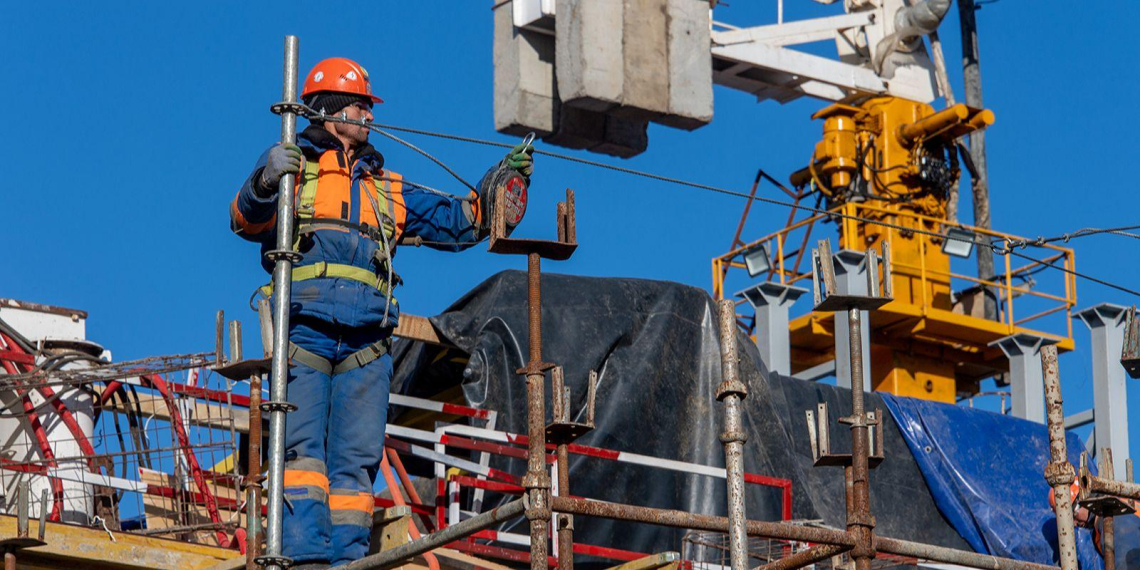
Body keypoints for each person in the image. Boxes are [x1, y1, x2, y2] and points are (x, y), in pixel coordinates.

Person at [230, 57, 533, 568]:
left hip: (367, 345)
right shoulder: (292, 169)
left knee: (355, 464)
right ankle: (305, 559)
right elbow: (244, 219)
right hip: (303, 335)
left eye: (368, 107)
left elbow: (461, 223)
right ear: (326, 111)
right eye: (358, 106)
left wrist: (499, 186)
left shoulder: (385, 187)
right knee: (302, 456)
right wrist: (264, 181)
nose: (368, 116)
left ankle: (347, 561)